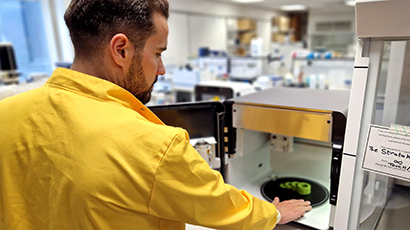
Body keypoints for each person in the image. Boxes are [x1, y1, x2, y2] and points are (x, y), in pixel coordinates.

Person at [0, 0, 311, 229]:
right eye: (158, 53)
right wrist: (274, 214)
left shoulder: (6, 114)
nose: (161, 69)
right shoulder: (152, 144)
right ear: (120, 49)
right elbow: (219, 205)